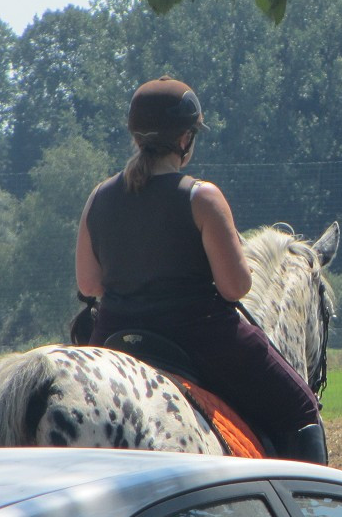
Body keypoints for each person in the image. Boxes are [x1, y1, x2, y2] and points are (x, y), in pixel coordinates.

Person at [74, 76, 326, 464]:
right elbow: (235, 288)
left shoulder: (99, 196)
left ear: (136, 136)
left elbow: (88, 283)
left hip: (113, 335)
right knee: (301, 409)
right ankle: (309, 513)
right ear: (185, 139)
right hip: (202, 339)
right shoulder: (201, 197)